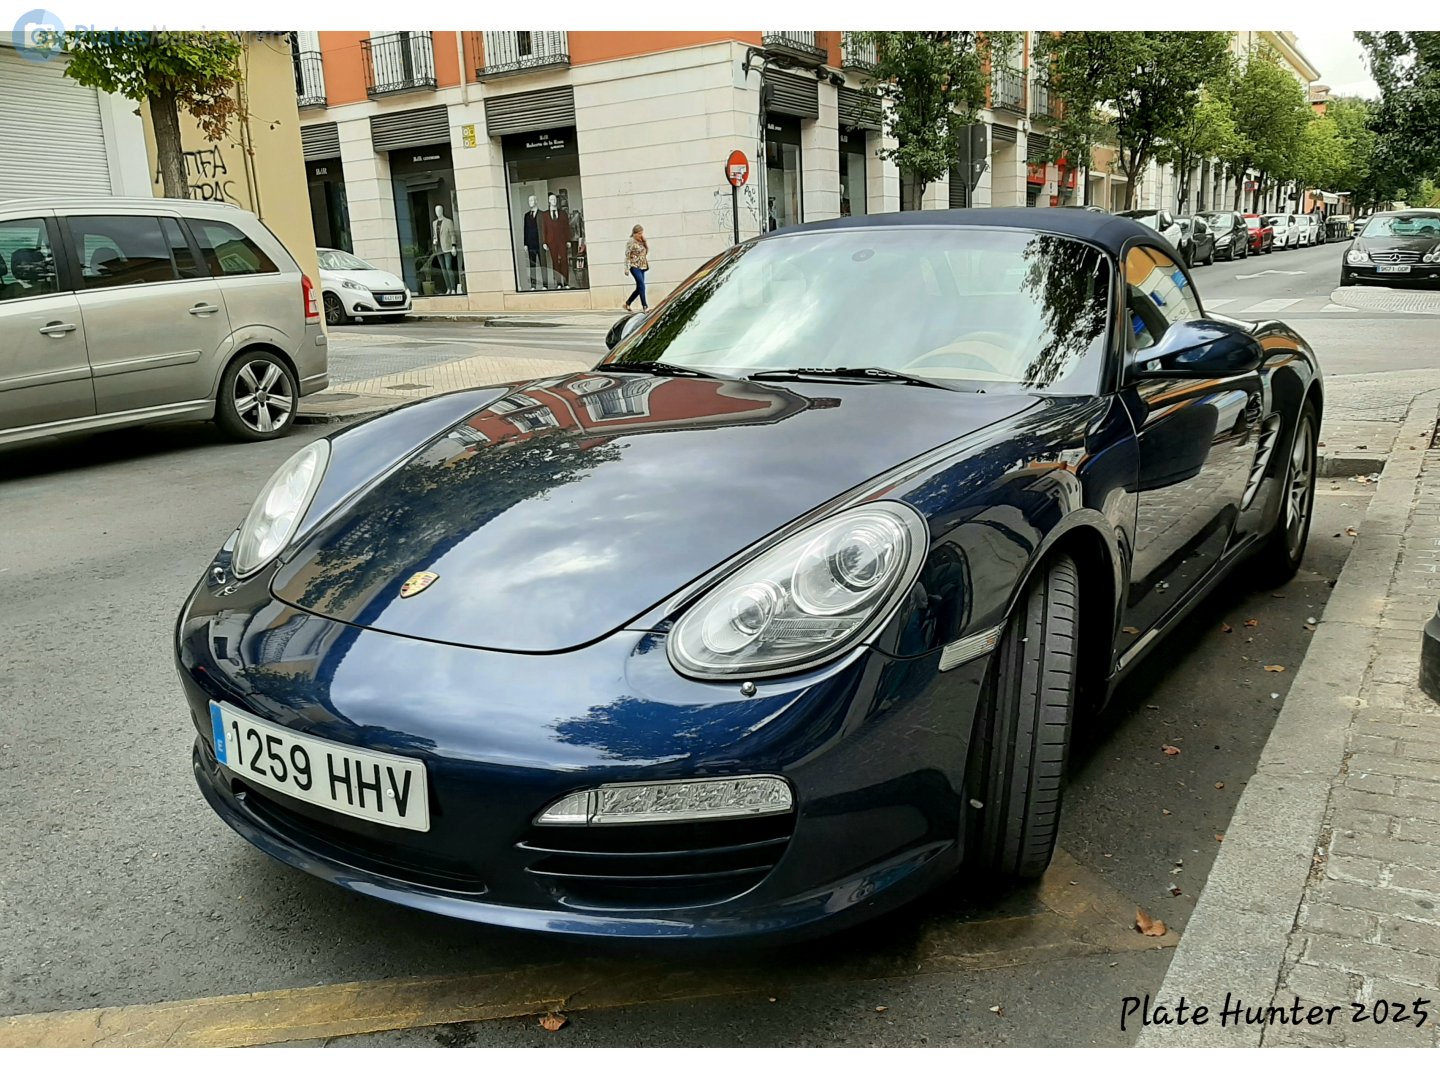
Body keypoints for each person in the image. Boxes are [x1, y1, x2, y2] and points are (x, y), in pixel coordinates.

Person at [623, 224, 649, 313]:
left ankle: (628, 303)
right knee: (642, 285)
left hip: (642, 266)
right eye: (639, 233)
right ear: (634, 233)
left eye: (641, 233)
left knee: (639, 287)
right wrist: (626, 268)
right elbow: (627, 255)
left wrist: (645, 242)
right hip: (634, 266)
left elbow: (645, 252)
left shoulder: (641, 241)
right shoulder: (631, 242)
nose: (640, 235)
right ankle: (645, 306)